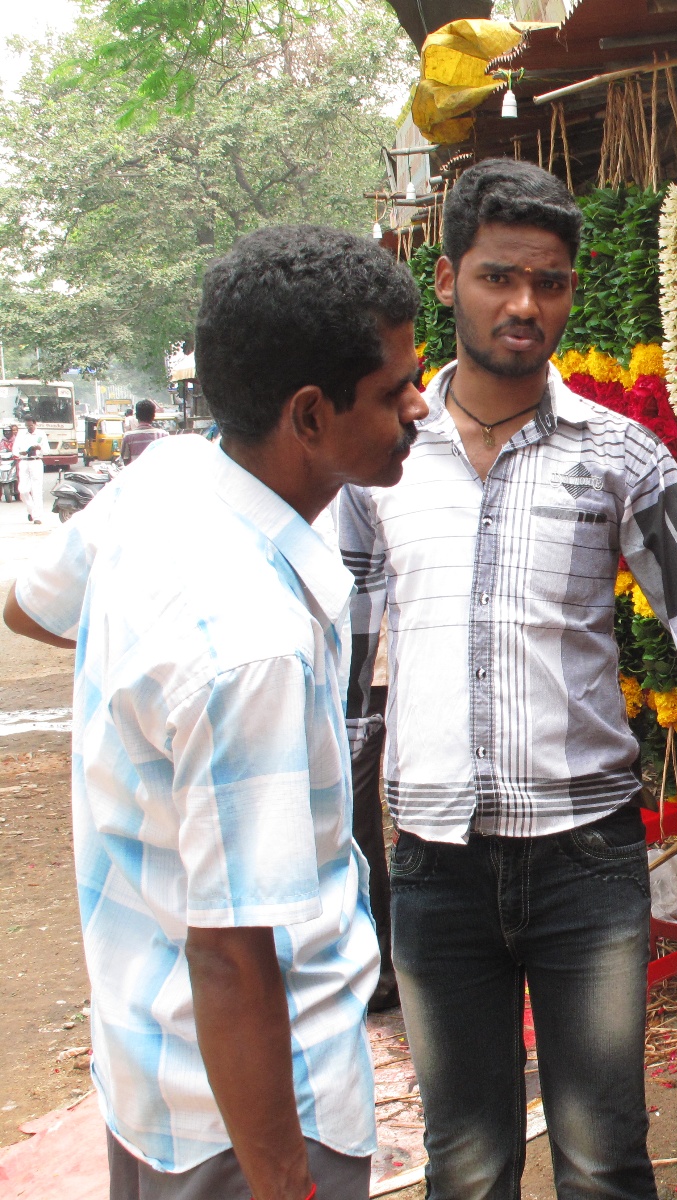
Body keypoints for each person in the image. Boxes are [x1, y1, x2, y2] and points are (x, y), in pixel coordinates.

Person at [340, 158, 677, 1200]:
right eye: (500, 277)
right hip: (433, 868)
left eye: (548, 282)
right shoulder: (381, 463)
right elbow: (347, 677)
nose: (524, 305)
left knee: (601, 1158)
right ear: (448, 277)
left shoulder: (622, 456)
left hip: (585, 865)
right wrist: (330, 842)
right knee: (465, 1166)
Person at [3, 224, 429, 1200]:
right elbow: (234, 959)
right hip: (251, 1121)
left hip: (152, 1080)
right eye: (395, 388)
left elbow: (29, 603)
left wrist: (146, 664)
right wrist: (285, 1182)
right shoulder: (250, 647)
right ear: (310, 415)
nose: (419, 407)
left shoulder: (164, 483)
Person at [14, 418, 48, 523]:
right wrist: (21, 453)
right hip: (24, 461)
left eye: (31, 426)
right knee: (23, 490)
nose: (29, 428)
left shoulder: (41, 434)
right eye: (27, 426)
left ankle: (37, 517)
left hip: (36, 462)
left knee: (36, 490)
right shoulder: (21, 434)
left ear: (35, 424)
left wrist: (39, 448)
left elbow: (47, 450)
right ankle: (31, 510)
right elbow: (15, 450)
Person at [121, 398, 169, 464]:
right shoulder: (163, 435)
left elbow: (125, 459)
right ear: (153, 416)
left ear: (137, 416)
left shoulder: (128, 436)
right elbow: (167, 457)